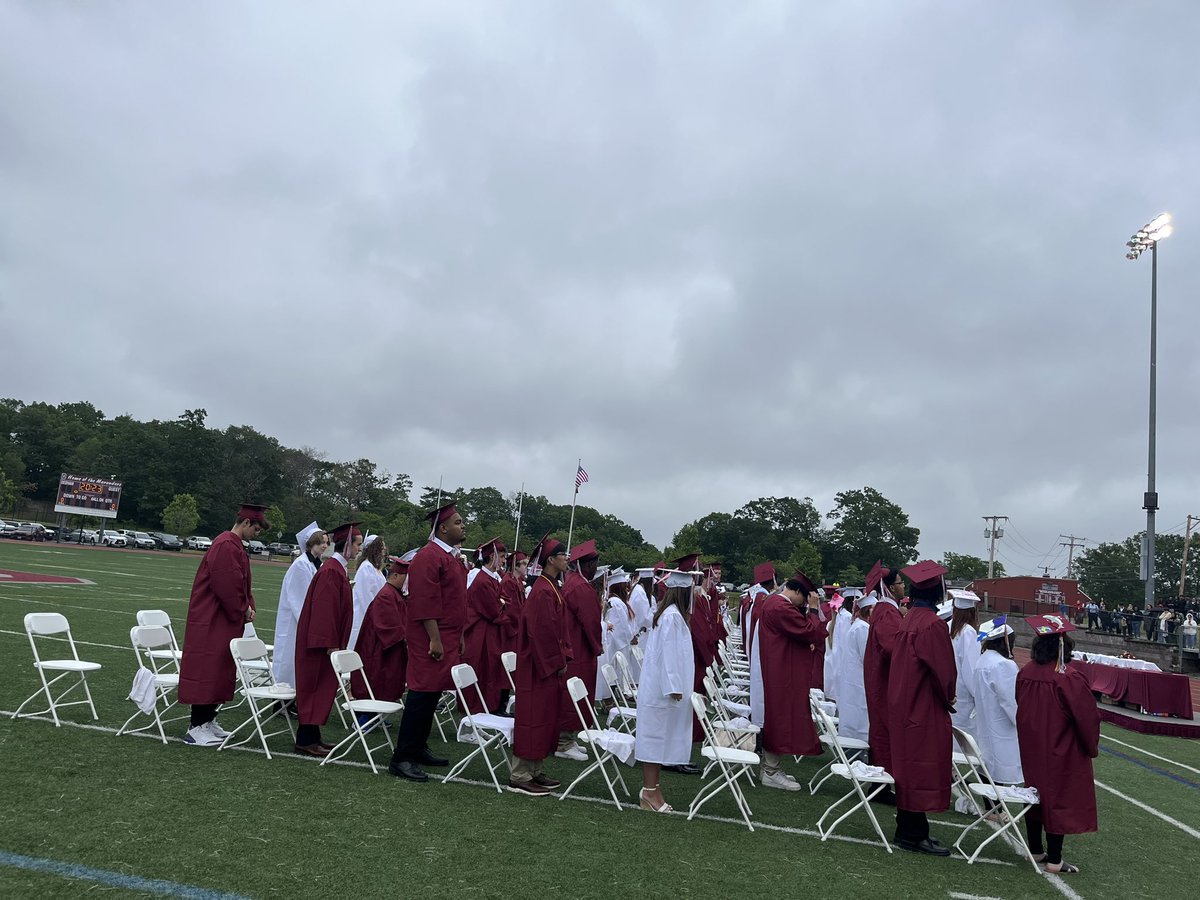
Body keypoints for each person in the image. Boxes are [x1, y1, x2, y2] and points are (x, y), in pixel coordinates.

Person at [388, 501, 468, 783]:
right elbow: (425, 602)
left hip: (446, 636)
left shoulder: (452, 557)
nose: (463, 525)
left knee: (433, 694)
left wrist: (457, 636)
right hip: (430, 638)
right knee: (421, 695)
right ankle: (403, 757)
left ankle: (418, 748)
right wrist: (435, 638)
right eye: (458, 522)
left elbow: (457, 601)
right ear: (443, 528)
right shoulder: (429, 556)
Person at [1017, 614, 1100, 875]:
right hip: (1060, 746)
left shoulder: (1025, 672)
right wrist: (1090, 747)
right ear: (1063, 647)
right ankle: (1054, 858)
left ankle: (1035, 848)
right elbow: (1087, 717)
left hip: (1031, 745)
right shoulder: (1068, 677)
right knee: (1057, 796)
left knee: (1034, 793)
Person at [179, 503, 267, 746]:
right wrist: (243, 608)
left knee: (219, 671)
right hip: (212, 619)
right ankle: (196, 726)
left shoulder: (233, 545)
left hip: (222, 619)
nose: (257, 535)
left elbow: (240, 583)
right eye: (257, 529)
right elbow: (227, 584)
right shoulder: (226, 544)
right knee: (208, 670)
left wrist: (248, 604)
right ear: (246, 522)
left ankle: (208, 720)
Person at [888, 560, 956, 856]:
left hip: (903, 702)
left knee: (907, 767)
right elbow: (943, 672)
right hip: (922, 705)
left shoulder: (909, 619)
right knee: (919, 768)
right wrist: (949, 696)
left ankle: (907, 829)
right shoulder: (932, 625)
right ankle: (914, 835)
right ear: (938, 591)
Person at [293, 521, 363, 756]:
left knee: (321, 690)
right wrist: (330, 644)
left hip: (326, 643)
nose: (359, 550)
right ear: (347, 547)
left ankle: (314, 737)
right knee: (313, 688)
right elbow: (324, 610)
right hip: (320, 645)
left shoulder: (336, 569)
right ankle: (305, 740)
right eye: (357, 545)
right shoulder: (331, 571)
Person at [510, 536, 571, 796]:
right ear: (551, 560)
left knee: (544, 718)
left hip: (545, 666)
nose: (567, 559)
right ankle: (520, 774)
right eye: (563, 554)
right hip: (537, 667)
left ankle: (534, 770)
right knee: (532, 718)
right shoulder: (543, 591)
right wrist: (556, 662)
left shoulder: (551, 586)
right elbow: (541, 633)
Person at [635, 567, 698, 812]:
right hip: (662, 690)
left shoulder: (670, 614)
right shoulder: (671, 617)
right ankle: (649, 792)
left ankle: (653, 789)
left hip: (660, 688)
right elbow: (670, 655)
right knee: (655, 739)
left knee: (659, 740)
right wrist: (674, 686)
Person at [756, 570, 826, 790]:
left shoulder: (775, 603)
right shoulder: (779, 606)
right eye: (804, 599)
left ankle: (771, 767)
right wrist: (813, 609)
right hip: (782, 669)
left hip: (781, 666)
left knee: (780, 715)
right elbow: (809, 631)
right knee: (780, 717)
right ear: (796, 592)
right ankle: (770, 770)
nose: (803, 604)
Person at [557, 539, 603, 762]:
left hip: (574, 645)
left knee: (574, 693)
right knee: (573, 694)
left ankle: (569, 738)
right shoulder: (580, 587)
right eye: (594, 565)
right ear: (587, 565)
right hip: (578, 648)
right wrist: (597, 645)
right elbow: (591, 621)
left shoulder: (572, 581)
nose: (595, 569)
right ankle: (563, 741)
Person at [862, 561, 904, 800]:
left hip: (879, 679)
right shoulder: (887, 612)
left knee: (881, 730)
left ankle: (881, 783)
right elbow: (893, 647)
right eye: (899, 583)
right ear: (889, 588)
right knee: (884, 732)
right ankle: (882, 784)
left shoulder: (884, 610)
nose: (903, 587)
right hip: (885, 681)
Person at [352, 552, 415, 705]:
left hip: (387, 648)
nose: (408, 582)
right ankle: (364, 718)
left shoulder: (395, 594)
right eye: (406, 578)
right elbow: (390, 626)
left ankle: (375, 716)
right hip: (379, 649)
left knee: (385, 683)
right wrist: (409, 637)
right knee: (376, 681)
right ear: (395, 576)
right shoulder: (387, 596)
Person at [272, 522, 326, 691]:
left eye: (326, 543)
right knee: (288, 658)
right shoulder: (301, 565)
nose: (325, 546)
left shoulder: (316, 564)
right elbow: (299, 598)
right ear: (311, 544)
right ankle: (282, 700)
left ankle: (295, 696)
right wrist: (310, 623)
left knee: (298, 659)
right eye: (320, 543)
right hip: (295, 622)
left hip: (304, 620)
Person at [972, 617, 1022, 785]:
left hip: (985, 719)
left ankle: (991, 807)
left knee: (988, 762)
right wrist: (1021, 722)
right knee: (999, 764)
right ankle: (997, 808)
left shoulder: (983, 659)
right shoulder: (1003, 665)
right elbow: (1010, 700)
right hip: (1001, 725)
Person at [463, 537, 507, 714]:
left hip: (488, 633)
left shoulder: (492, 580)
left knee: (489, 671)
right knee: (480, 671)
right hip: (480, 634)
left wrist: (503, 603)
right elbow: (494, 611)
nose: (504, 561)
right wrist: (503, 604)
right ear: (492, 557)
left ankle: (486, 708)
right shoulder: (482, 580)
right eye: (502, 556)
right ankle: (475, 710)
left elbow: (503, 603)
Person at [835, 593, 875, 744]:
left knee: (854, 714)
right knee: (858, 715)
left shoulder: (857, 625)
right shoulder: (862, 628)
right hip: (858, 681)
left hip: (853, 680)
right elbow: (867, 657)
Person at [746, 562, 778, 730]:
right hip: (763, 647)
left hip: (758, 644)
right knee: (761, 689)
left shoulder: (761, 598)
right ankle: (760, 728)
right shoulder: (764, 599)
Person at [947, 590, 981, 740]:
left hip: (950, 689)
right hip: (963, 694)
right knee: (964, 736)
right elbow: (970, 668)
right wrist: (978, 694)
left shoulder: (947, 627)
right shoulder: (968, 632)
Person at [597, 569, 635, 703]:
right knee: (614, 670)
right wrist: (631, 636)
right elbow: (623, 627)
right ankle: (610, 700)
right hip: (616, 642)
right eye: (625, 586)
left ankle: (612, 698)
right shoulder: (617, 603)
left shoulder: (615, 601)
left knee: (615, 670)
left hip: (616, 641)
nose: (627, 588)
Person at [348, 533, 388, 651]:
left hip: (373, 614)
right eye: (382, 546)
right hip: (364, 615)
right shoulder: (366, 568)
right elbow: (365, 596)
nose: (384, 549)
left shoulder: (375, 569)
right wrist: (376, 617)